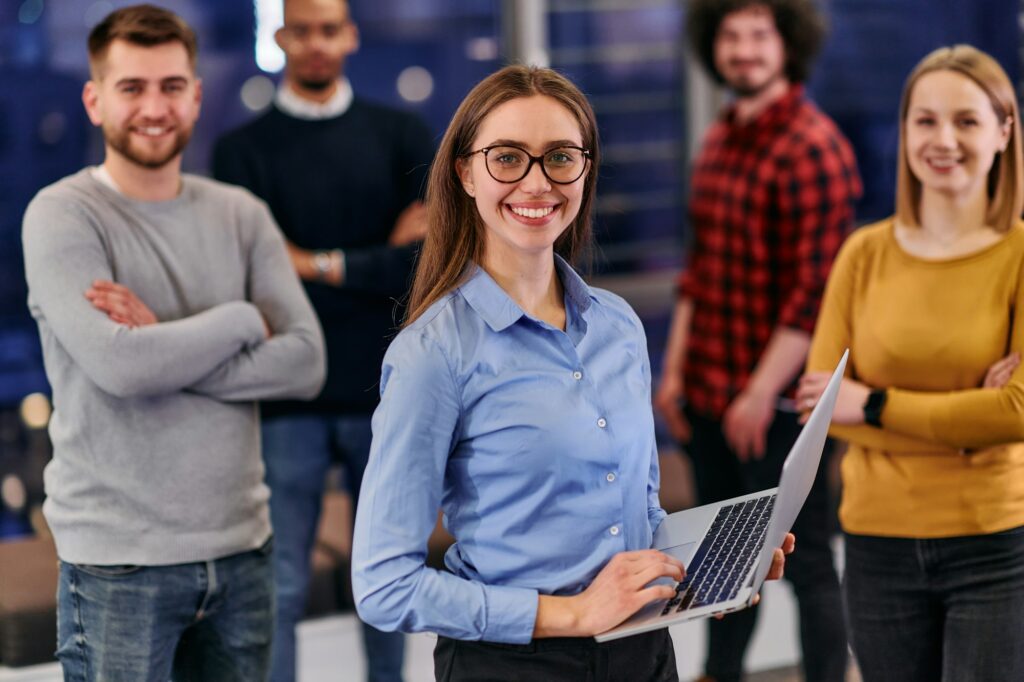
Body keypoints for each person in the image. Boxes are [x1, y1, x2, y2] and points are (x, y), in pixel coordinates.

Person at [350, 64, 794, 682]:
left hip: (642, 653)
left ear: (585, 167)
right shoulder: (433, 353)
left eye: (560, 156)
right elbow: (383, 586)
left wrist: (715, 561)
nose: (537, 183)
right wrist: (575, 613)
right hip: (512, 666)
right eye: (507, 157)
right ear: (466, 172)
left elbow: (638, 518)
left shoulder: (618, 325)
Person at [21, 5, 325, 680]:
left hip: (244, 553)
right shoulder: (62, 215)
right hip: (117, 567)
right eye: (132, 87)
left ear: (195, 94)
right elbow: (122, 367)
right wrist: (243, 318)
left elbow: (305, 361)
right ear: (95, 99)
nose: (153, 107)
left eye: (170, 86)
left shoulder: (241, 214)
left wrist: (163, 342)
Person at [212, 1, 432, 679]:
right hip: (288, 396)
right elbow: (256, 278)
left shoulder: (400, 134)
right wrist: (369, 260)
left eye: (328, 29)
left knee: (388, 579)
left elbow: (423, 261)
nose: (315, 43)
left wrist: (311, 262)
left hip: (386, 390)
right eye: (301, 30)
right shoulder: (240, 150)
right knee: (278, 586)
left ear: (351, 35)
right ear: (279, 38)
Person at [800, 44, 1024, 682]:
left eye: (966, 120)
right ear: (903, 131)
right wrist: (963, 421)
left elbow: (1015, 412)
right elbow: (822, 414)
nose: (942, 139)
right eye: (925, 120)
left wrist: (873, 402)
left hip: (994, 543)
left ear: (1004, 131)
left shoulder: (1019, 256)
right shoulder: (863, 254)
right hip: (877, 545)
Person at [653, 2, 861, 680]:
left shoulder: (813, 145)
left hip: (774, 407)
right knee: (721, 562)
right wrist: (676, 370)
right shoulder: (720, 136)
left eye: (758, 35)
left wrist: (758, 393)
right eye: (730, 36)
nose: (743, 50)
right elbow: (700, 268)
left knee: (805, 564)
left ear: (788, 43)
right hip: (710, 394)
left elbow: (815, 292)